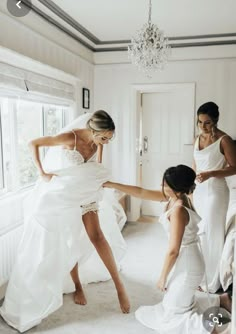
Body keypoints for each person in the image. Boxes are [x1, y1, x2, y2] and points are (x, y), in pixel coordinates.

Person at [0, 110, 130, 333]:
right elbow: (34, 143)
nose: (106, 142)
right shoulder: (71, 137)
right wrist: (42, 172)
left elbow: (95, 165)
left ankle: (120, 288)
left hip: (86, 193)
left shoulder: (99, 141)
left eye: (109, 138)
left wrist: (97, 180)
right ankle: (77, 285)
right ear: (93, 130)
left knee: (97, 237)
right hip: (65, 196)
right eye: (104, 138)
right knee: (69, 239)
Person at [103, 165, 231, 334]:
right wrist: (112, 184)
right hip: (187, 260)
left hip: (187, 263)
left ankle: (219, 328)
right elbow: (141, 192)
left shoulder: (178, 210)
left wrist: (162, 277)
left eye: (165, 184)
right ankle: (221, 300)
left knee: (174, 316)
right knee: (170, 307)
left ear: (175, 188)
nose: (162, 187)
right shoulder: (175, 198)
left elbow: (173, 251)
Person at [193, 102, 236, 293]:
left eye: (207, 122)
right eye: (200, 122)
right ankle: (201, 276)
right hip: (199, 191)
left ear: (216, 120)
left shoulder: (225, 140)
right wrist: (189, 186)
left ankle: (212, 282)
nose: (203, 126)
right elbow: (195, 165)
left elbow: (234, 168)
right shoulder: (197, 139)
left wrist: (210, 174)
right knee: (200, 233)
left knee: (212, 234)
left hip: (216, 192)